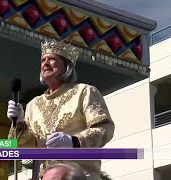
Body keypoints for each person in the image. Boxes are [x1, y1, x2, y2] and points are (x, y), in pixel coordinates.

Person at [7, 39, 115, 179]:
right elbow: (24, 149)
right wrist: (19, 123)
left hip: (81, 175)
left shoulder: (84, 91)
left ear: (67, 65)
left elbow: (105, 129)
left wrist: (74, 141)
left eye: (52, 59)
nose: (45, 63)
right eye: (43, 60)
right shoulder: (33, 104)